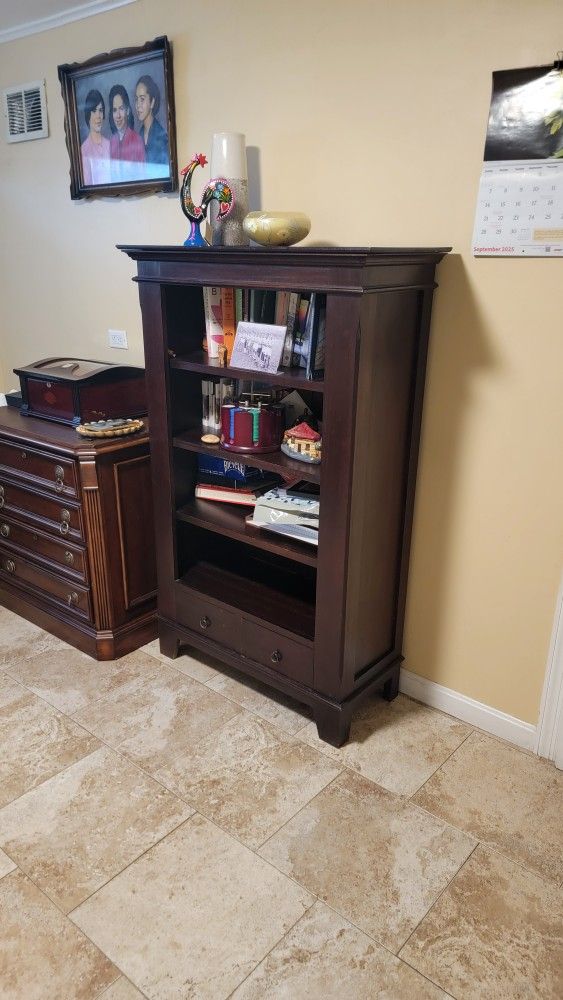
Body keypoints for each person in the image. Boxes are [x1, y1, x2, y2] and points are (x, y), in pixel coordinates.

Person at [108, 84, 145, 182]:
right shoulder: (111, 142)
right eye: (115, 110)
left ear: (128, 110)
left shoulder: (137, 140)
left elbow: (142, 178)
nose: (118, 115)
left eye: (121, 108)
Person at [135, 75, 168, 173]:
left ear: (152, 102)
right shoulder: (138, 136)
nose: (138, 105)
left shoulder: (162, 137)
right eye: (136, 99)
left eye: (142, 99)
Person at [81, 89, 110, 186]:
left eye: (101, 110)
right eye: (94, 111)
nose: (98, 116)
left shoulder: (109, 144)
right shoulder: (84, 150)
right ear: (88, 114)